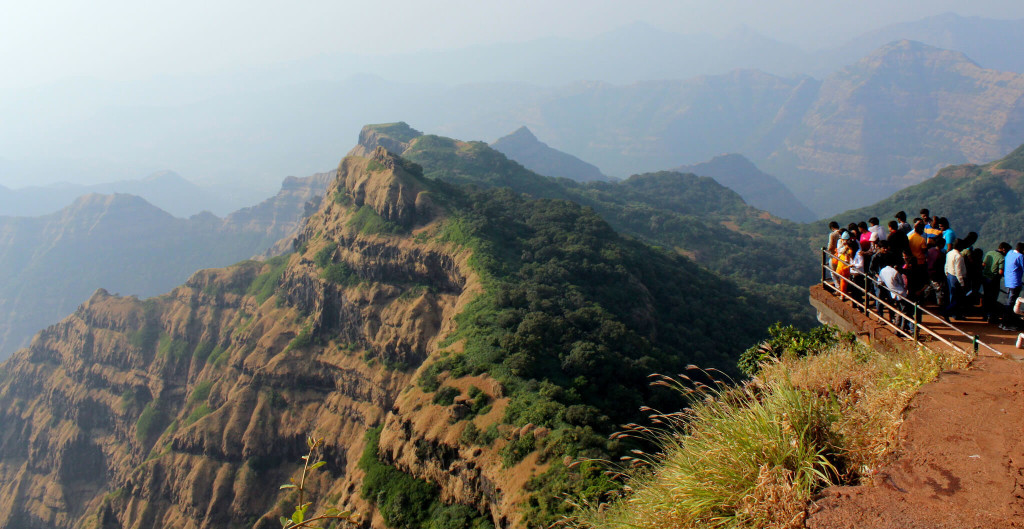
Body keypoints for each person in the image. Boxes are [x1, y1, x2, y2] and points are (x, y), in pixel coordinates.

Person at [982, 242, 1010, 323]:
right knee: (992, 298)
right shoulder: (1001, 258)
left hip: (985, 278)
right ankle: (991, 316)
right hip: (993, 280)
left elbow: (983, 264)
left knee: (986, 296)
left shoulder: (989, 253)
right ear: (1004, 250)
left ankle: (985, 315)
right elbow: (1000, 272)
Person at [1002, 243, 1024, 331]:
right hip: (1015, 283)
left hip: (1008, 281)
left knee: (1009, 302)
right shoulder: (1020, 256)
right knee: (1010, 303)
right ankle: (1006, 324)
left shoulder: (1010, 253)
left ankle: (1004, 322)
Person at [944, 239, 967, 320]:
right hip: (956, 277)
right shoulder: (959, 256)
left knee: (952, 296)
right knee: (957, 298)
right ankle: (947, 312)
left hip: (950, 275)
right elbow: (958, 271)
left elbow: (946, 265)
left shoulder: (949, 253)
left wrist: (946, 273)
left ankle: (955, 314)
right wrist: (962, 283)